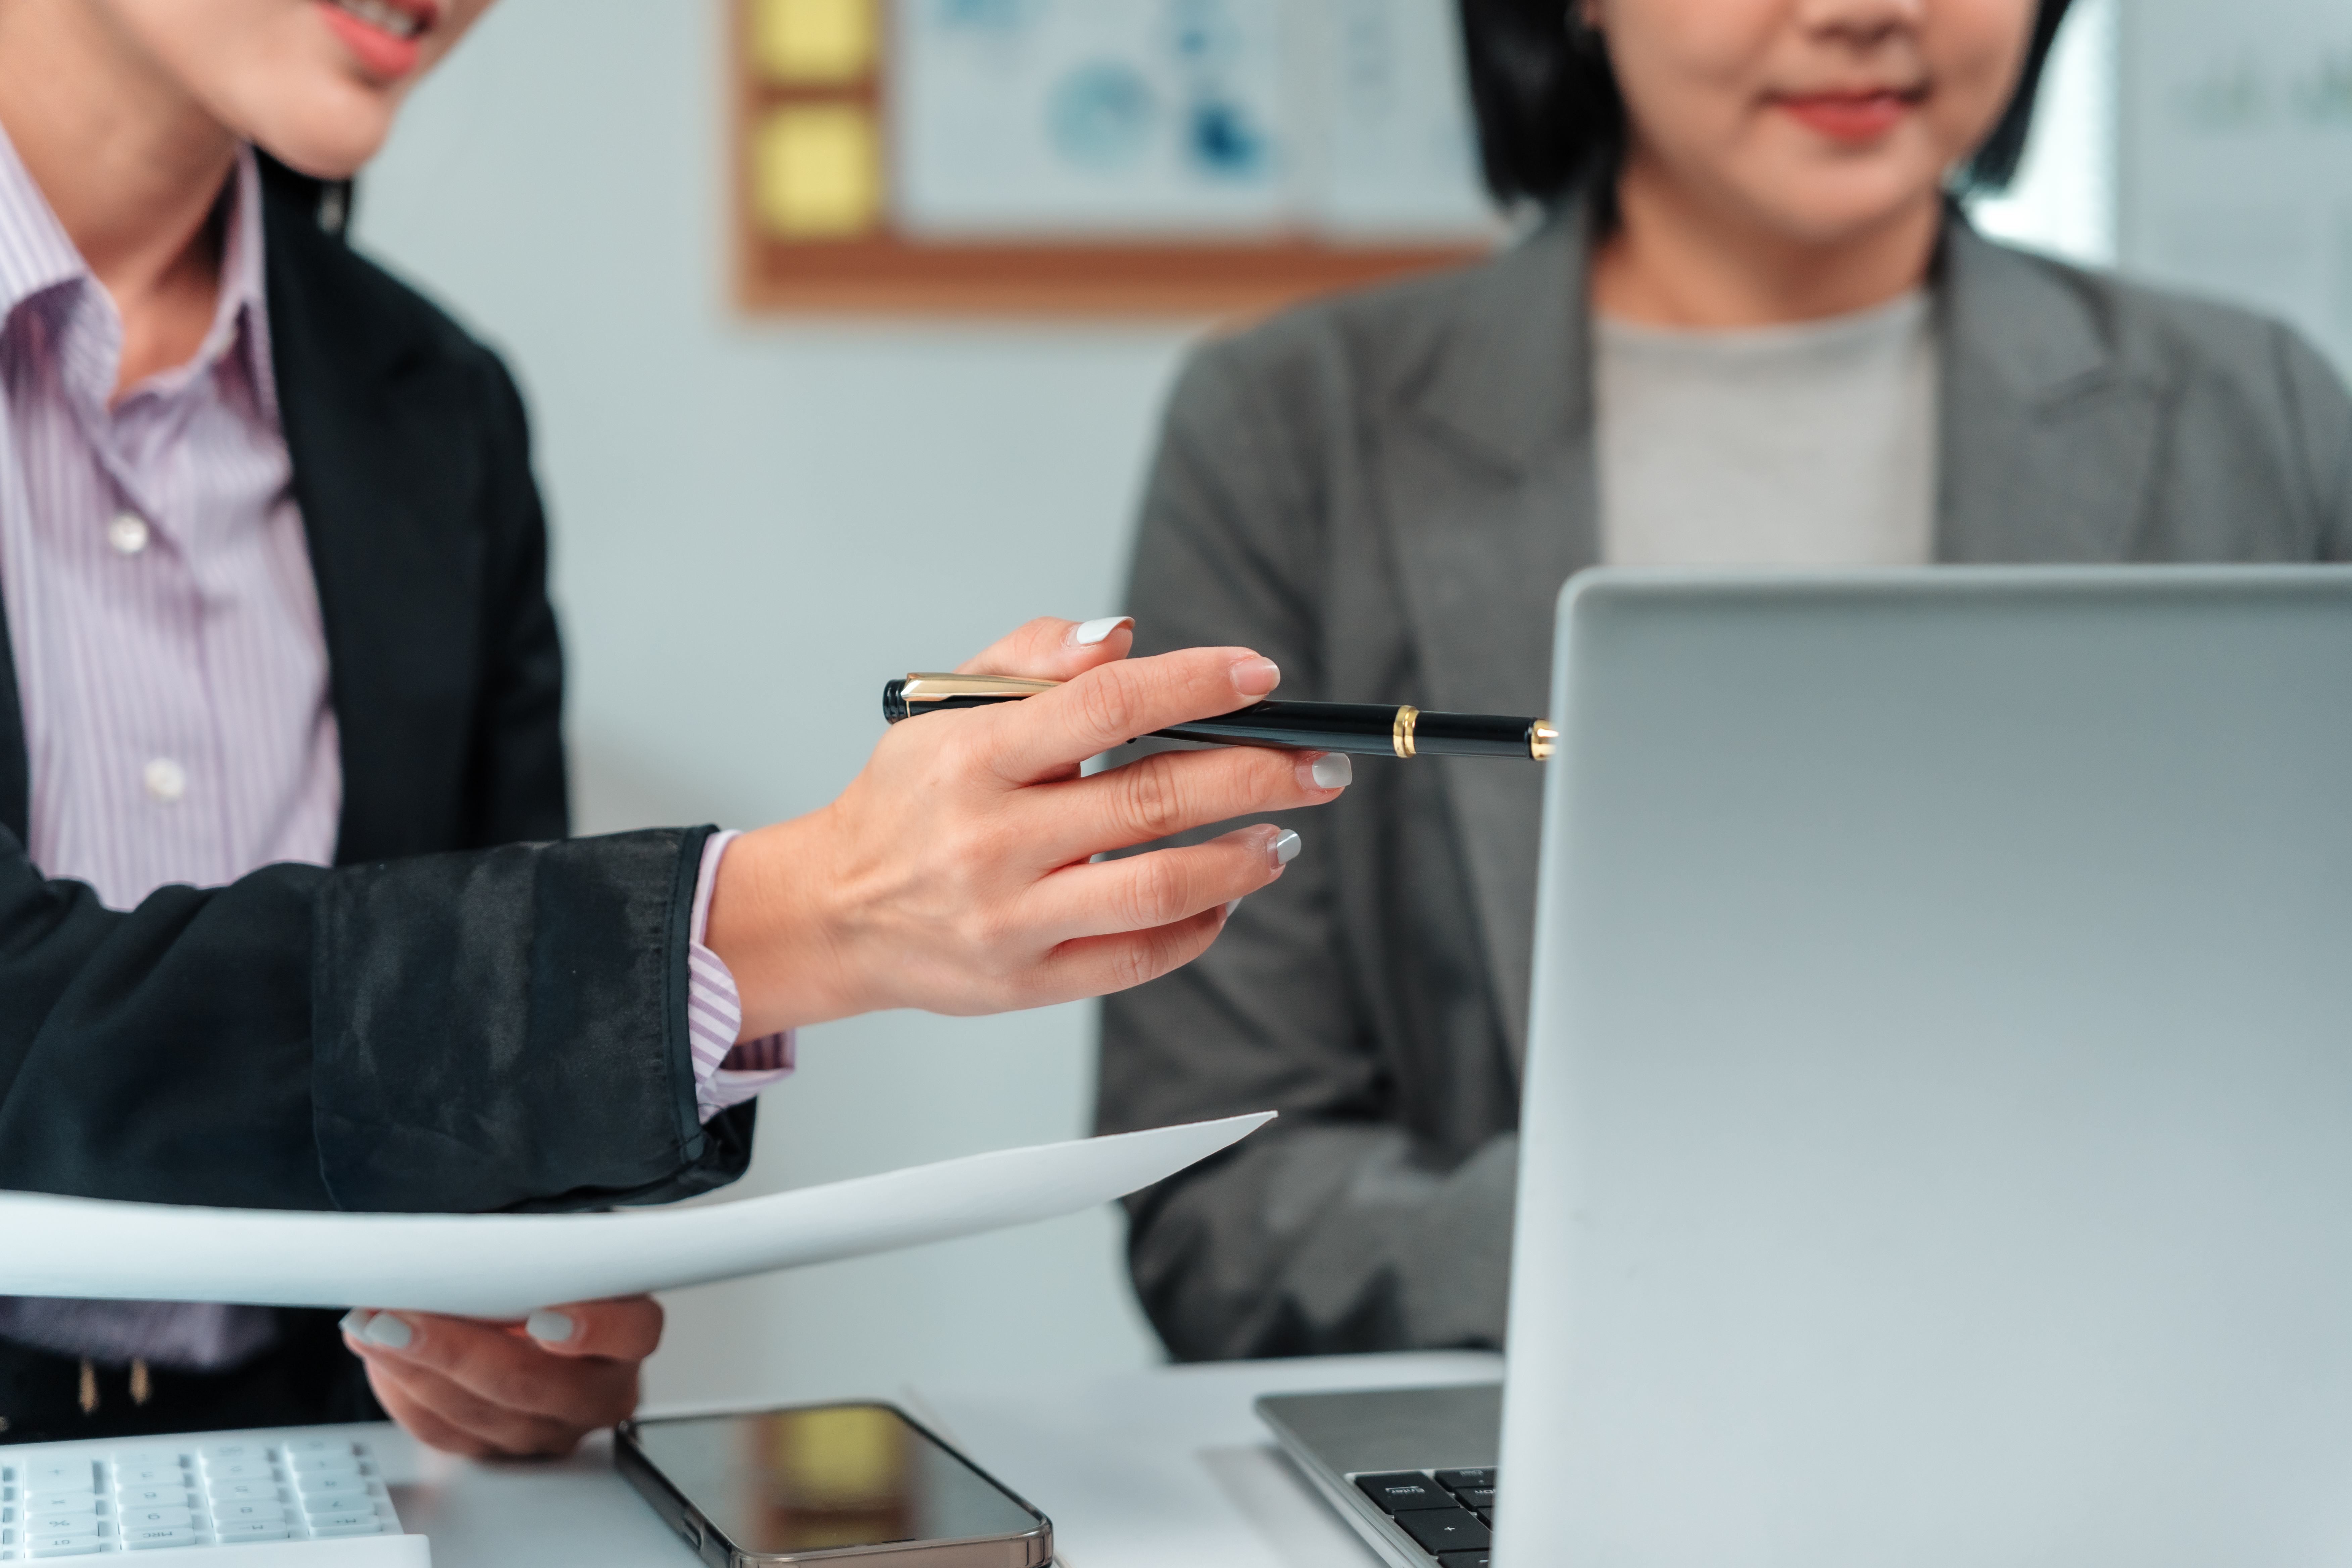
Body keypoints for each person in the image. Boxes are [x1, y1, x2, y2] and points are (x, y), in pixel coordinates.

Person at [0, 0, 1346, 1449]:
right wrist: (795, 914)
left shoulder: (435, 410)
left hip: (325, 1482)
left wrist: (521, 1324)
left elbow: (457, 1088)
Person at [1097, 0, 2352, 1360]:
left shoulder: (2258, 412)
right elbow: (1221, 1195)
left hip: (2142, 1398)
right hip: (1541, 1412)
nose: (1864, 13)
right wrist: (1777, 1244)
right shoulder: (1290, 432)